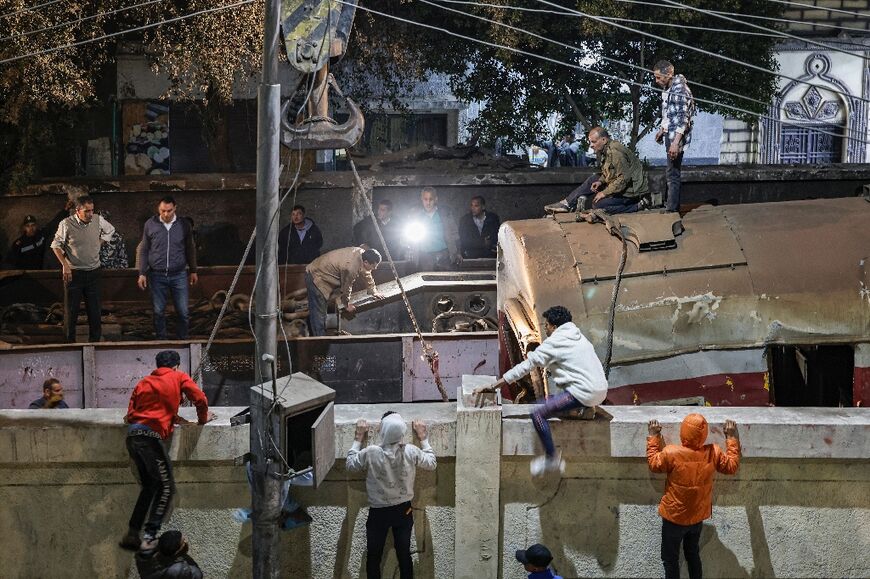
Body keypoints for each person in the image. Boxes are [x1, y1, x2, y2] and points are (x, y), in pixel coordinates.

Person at [474, 306, 608, 476]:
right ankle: (583, 409)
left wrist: (494, 386)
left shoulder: (554, 343)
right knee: (556, 400)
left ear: (554, 326)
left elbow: (525, 366)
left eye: (546, 325)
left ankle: (551, 458)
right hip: (601, 391)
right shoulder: (580, 337)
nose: (545, 328)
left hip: (584, 392)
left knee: (538, 413)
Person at [119, 350, 215, 552]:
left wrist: (171, 417)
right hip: (151, 439)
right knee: (166, 488)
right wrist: (203, 419)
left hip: (133, 437)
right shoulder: (178, 376)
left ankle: (132, 533)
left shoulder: (144, 382)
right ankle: (149, 538)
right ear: (176, 366)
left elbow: (131, 415)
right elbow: (200, 399)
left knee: (150, 486)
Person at [647, 415, 740, 579]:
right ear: (703, 434)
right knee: (692, 555)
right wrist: (731, 437)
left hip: (673, 519)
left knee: (670, 559)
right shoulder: (713, 452)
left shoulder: (671, 453)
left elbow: (654, 463)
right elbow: (731, 466)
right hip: (696, 519)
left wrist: (654, 436)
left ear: (683, 432)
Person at [346, 412, 436, 579]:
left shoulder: (371, 452)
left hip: (378, 513)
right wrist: (423, 437)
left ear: (383, 430)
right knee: (404, 555)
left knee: (374, 557)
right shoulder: (410, 451)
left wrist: (358, 437)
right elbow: (431, 463)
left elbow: (350, 465)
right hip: (403, 511)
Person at [51, 195, 116, 343]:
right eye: (86, 211)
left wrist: (99, 243)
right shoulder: (66, 224)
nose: (90, 214)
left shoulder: (97, 220)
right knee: (71, 311)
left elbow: (110, 230)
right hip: (74, 273)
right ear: (77, 211)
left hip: (93, 272)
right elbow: (56, 245)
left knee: (94, 310)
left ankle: (94, 341)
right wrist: (65, 265)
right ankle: (69, 343)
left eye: (92, 210)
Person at [544, 127, 649, 215]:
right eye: (590, 142)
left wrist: (604, 193)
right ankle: (567, 203)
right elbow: (610, 172)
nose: (591, 145)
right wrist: (601, 181)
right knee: (594, 178)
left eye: (594, 142)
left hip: (631, 192)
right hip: (623, 187)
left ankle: (637, 206)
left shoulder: (615, 152)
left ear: (603, 140)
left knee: (597, 206)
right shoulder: (606, 150)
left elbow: (623, 179)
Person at [137, 196, 199, 340]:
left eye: (169, 211)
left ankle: (182, 340)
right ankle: (161, 340)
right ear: (159, 209)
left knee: (183, 312)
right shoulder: (150, 224)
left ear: (175, 208)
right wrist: (142, 273)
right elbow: (144, 249)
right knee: (158, 311)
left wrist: (193, 270)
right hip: (156, 274)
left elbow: (190, 248)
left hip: (179, 274)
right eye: (163, 211)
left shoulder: (183, 225)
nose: (166, 214)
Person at [305, 247, 384, 336]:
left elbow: (367, 273)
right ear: (366, 262)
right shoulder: (351, 267)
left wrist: (374, 291)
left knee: (322, 310)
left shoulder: (362, 253)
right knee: (318, 312)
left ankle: (320, 333)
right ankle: (319, 340)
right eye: (374, 266)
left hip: (322, 270)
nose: (375, 268)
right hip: (316, 276)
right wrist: (346, 305)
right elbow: (346, 287)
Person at [653, 60, 695, 213]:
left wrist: (675, 143)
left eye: (659, 77)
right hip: (669, 133)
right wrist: (661, 130)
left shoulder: (679, 90)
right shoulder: (668, 88)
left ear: (669, 74)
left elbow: (683, 118)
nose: (657, 81)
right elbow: (669, 115)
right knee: (671, 172)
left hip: (675, 137)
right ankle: (671, 207)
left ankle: (672, 211)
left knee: (673, 173)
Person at [406, 187, 460, 271]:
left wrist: (458, 252)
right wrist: (410, 251)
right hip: (425, 256)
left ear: (436, 199)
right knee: (427, 282)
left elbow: (455, 234)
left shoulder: (444, 215)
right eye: (425, 199)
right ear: (422, 199)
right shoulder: (416, 217)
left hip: (444, 255)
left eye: (430, 199)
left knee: (445, 281)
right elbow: (408, 237)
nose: (428, 202)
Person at [134, 530, 203, 579]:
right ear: (176, 552)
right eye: (183, 542)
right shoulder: (178, 570)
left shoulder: (146, 555)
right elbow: (197, 575)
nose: (186, 541)